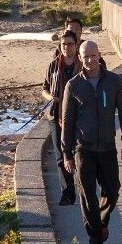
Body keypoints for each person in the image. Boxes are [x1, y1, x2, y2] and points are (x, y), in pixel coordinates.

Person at [62, 39, 122, 244]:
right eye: (86, 57)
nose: (91, 60)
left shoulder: (114, 82)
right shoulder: (73, 85)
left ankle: (101, 222)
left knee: (112, 190)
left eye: (94, 56)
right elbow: (67, 121)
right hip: (83, 148)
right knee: (87, 195)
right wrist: (67, 153)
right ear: (80, 58)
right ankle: (95, 238)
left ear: (100, 55)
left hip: (107, 147)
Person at [42, 30, 82, 207]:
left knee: (78, 153)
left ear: (76, 45)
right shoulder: (52, 66)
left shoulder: (83, 65)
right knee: (60, 155)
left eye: (70, 44)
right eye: (63, 44)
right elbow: (44, 89)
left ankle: (82, 188)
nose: (66, 47)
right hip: (55, 115)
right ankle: (67, 193)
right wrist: (50, 96)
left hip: (79, 115)